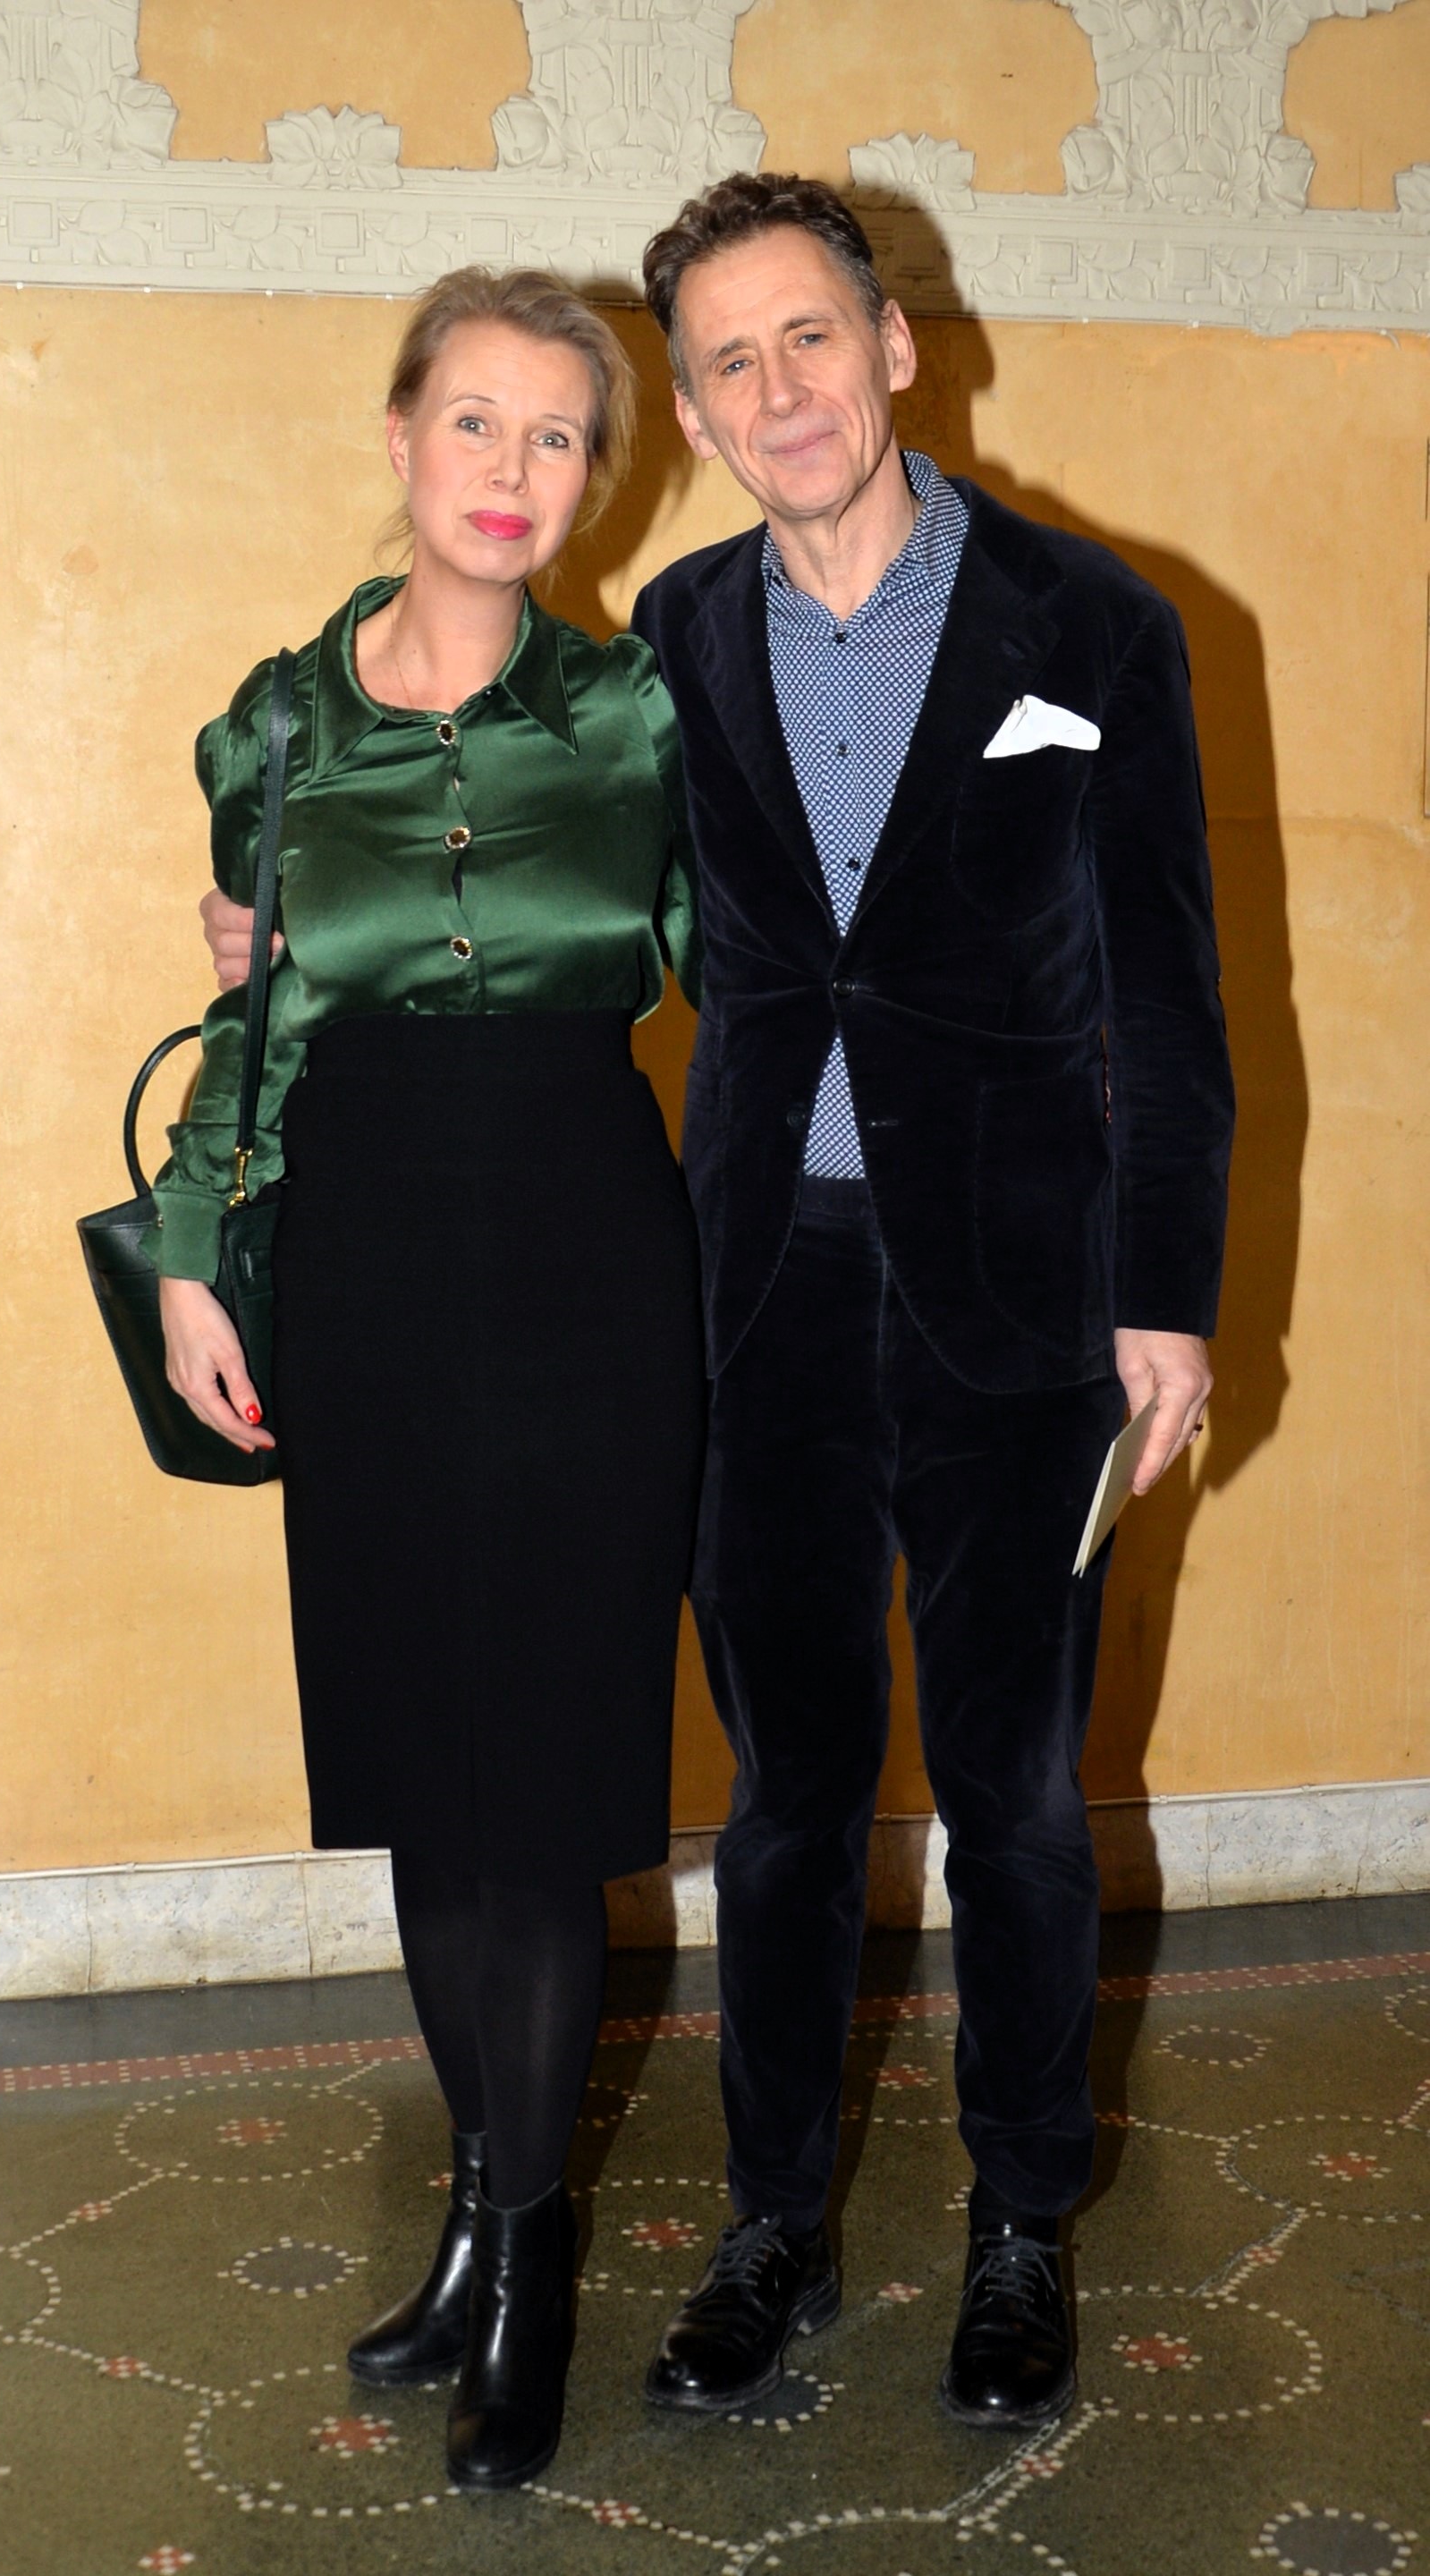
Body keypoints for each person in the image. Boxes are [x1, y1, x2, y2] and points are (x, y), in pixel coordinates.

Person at [205, 177, 1235, 2437]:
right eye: (729, 362)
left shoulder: (1095, 625)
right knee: (783, 1800)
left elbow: (1168, 1000)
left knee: (1018, 1793)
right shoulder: (667, 646)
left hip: (1028, 1306)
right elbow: (513, 848)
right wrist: (296, 925)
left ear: (897, 349)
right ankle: (775, 2222)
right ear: (689, 412)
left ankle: (1022, 2225)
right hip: (751, 1290)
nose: (779, 391)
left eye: (810, 339)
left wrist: (1167, 1302)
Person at [155, 266, 705, 2493]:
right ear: (401, 439)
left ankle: (536, 2255)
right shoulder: (273, 732)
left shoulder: (647, 714)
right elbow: (255, 1027)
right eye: (476, 420)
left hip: (590, 1250)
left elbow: (760, 965)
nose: (513, 468)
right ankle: (480, 2211)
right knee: (420, 1761)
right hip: (366, 1263)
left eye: (558, 434)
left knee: (542, 1775)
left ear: (599, 478)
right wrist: (196, 1257)